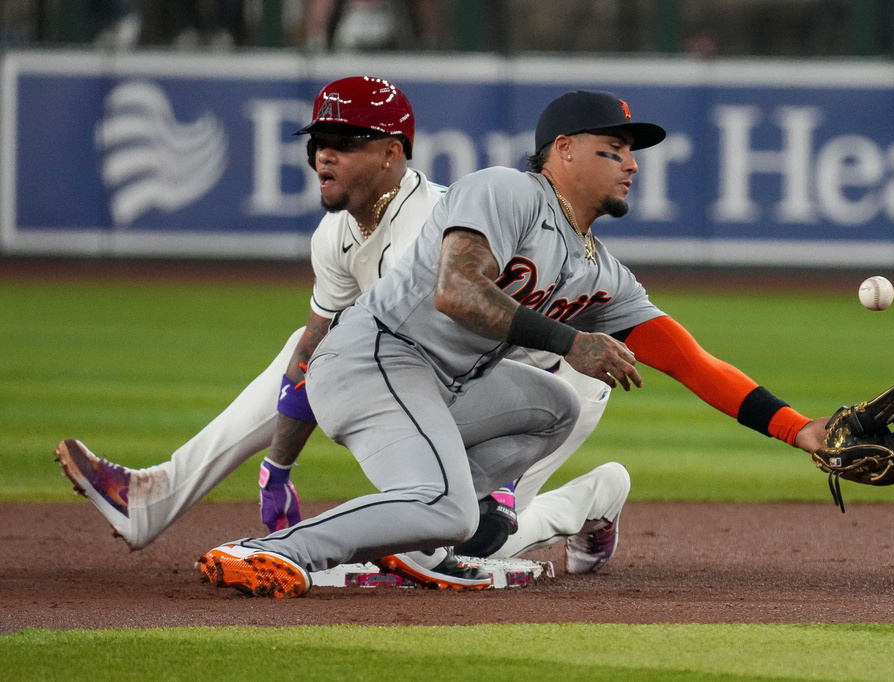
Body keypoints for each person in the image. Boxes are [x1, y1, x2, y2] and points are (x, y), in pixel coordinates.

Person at [195, 88, 829, 599]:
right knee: (446, 505)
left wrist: (800, 430)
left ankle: (422, 545)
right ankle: (272, 551)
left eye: (632, 153)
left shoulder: (600, 271)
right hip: (374, 359)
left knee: (558, 406)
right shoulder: (508, 191)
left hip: (436, 385)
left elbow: (690, 361)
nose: (632, 164)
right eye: (614, 149)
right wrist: (572, 342)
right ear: (564, 151)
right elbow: (457, 291)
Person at [55, 77, 625, 581]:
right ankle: (157, 497)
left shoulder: (431, 223)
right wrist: (278, 467)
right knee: (430, 504)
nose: (325, 155)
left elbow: (497, 332)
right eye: (318, 143)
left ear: (392, 153)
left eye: (345, 143)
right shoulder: (335, 236)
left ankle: (597, 494)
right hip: (442, 384)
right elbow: (312, 352)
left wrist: (499, 489)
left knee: (477, 529)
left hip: (548, 383)